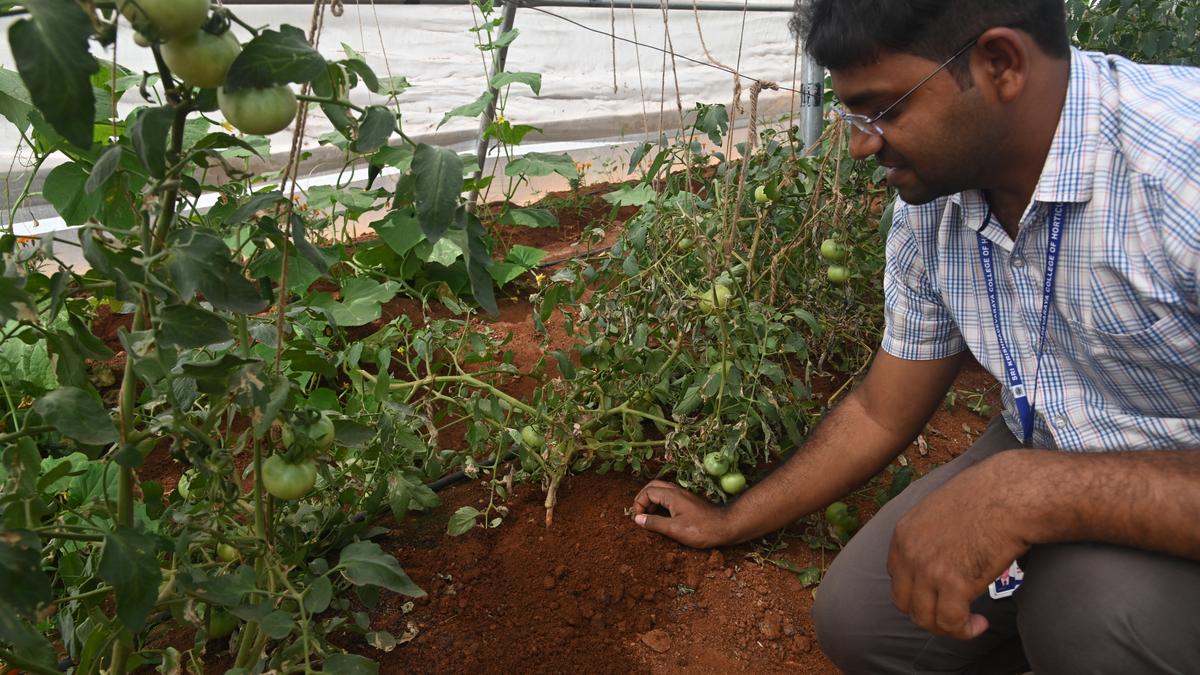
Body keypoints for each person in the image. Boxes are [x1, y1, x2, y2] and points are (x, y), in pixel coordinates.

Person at [631, 1, 1200, 672]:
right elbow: (881, 409)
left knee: (1087, 611)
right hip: (1050, 431)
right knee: (863, 620)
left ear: (1000, 63)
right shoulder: (937, 202)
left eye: (883, 109)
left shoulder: (1178, 172)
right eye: (852, 114)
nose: (861, 143)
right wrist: (732, 519)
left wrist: (1033, 491)